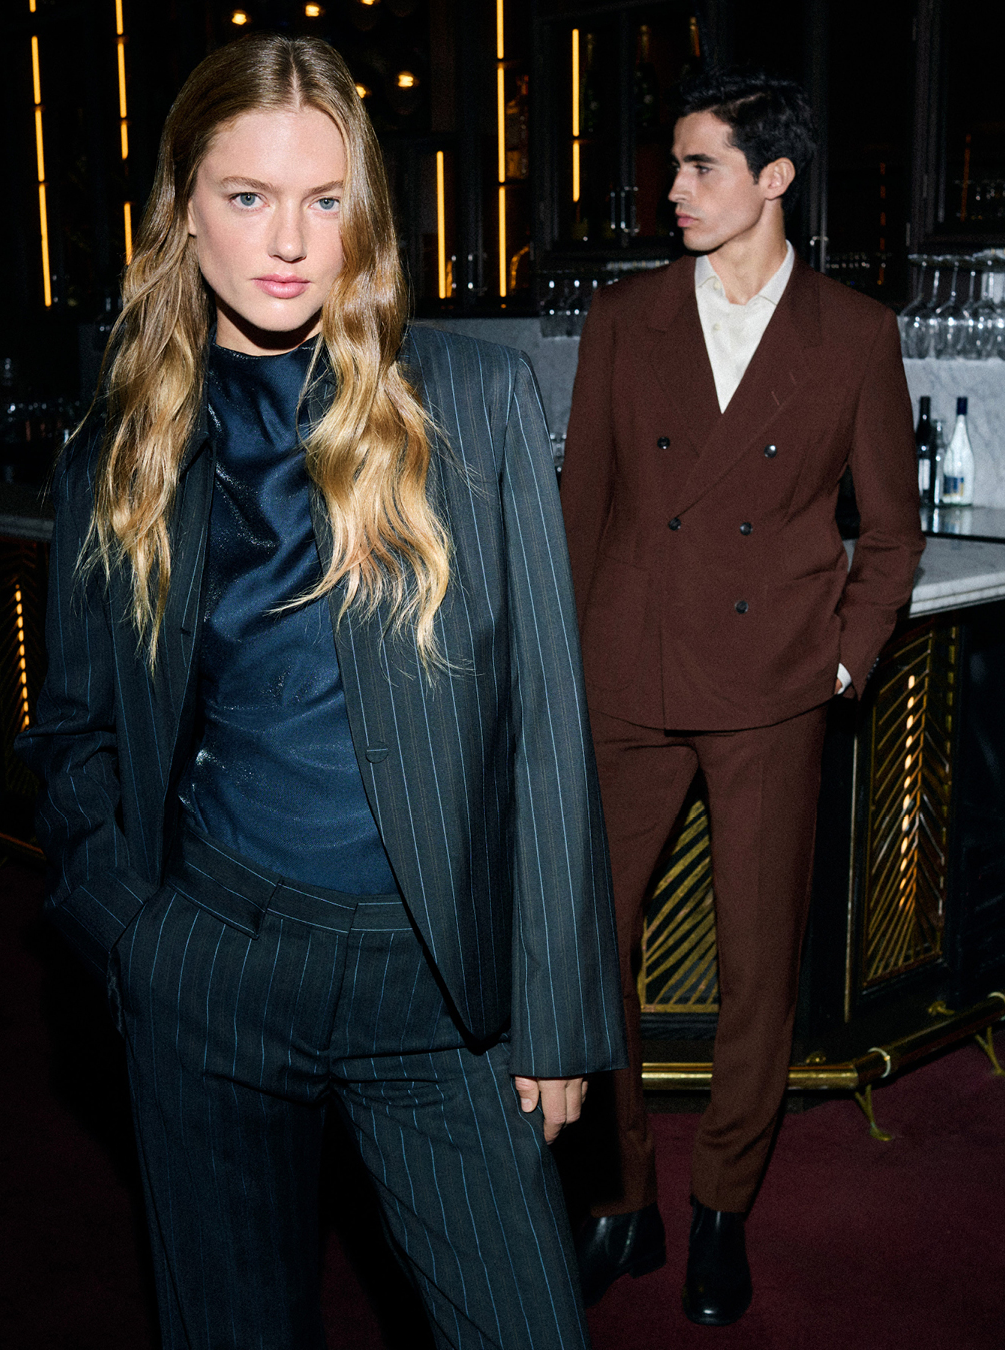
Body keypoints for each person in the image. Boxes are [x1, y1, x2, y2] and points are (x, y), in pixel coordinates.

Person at [18, 34, 625, 1350]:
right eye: (248, 196)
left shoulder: (474, 402)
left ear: (366, 213)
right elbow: (71, 731)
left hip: (435, 980)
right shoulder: (117, 446)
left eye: (325, 198)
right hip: (213, 957)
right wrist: (135, 939)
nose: (290, 241)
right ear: (185, 209)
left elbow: (544, 724)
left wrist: (561, 1011)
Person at [560, 69, 923, 1326]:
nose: (671, 188)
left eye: (699, 165)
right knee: (585, 950)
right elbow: (582, 513)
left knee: (758, 968)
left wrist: (841, 663)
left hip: (771, 685)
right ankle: (622, 1200)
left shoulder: (855, 334)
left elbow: (892, 534)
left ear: (774, 178)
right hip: (624, 676)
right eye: (672, 163)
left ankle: (722, 1206)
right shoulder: (624, 318)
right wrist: (562, 671)